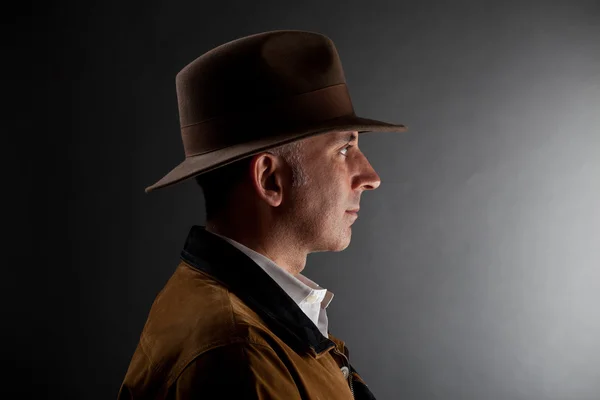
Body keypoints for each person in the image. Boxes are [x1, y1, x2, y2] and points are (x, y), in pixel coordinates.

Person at [118, 30, 407, 399]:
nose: (371, 177)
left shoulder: (238, 315)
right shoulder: (239, 355)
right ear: (270, 179)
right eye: (344, 149)